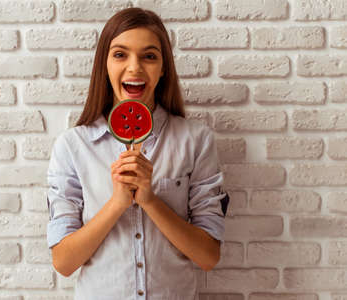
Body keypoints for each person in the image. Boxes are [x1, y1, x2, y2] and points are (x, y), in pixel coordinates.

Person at [47, 7, 229, 300]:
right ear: (104, 64)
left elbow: (208, 256)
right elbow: (64, 263)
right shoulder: (72, 146)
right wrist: (119, 202)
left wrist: (149, 200)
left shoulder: (196, 141)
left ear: (163, 67)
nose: (134, 68)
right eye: (120, 54)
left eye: (149, 56)